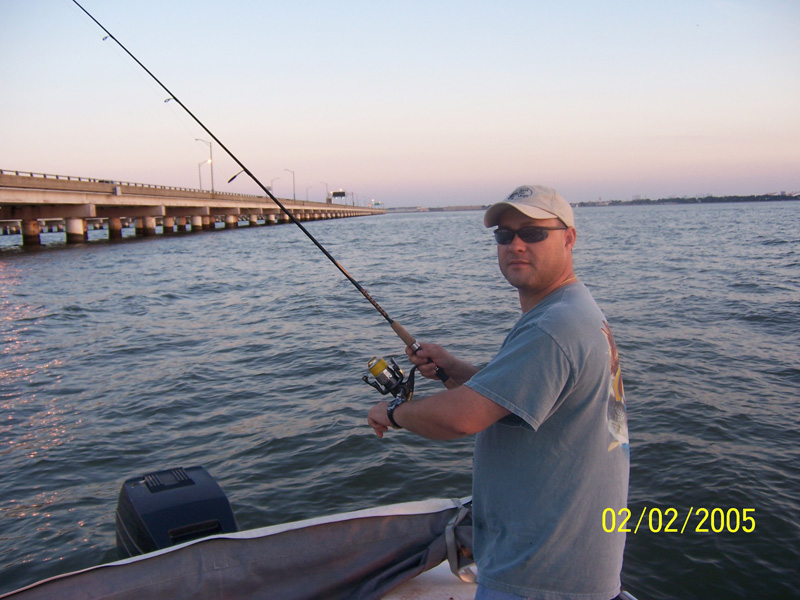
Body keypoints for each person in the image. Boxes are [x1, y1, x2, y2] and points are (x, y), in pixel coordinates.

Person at [367, 185, 630, 600]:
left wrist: (394, 412)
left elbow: (461, 419)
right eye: (504, 236)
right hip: (568, 570)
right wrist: (453, 371)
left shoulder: (552, 327)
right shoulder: (572, 310)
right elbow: (517, 401)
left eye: (533, 233)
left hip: (541, 579)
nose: (516, 245)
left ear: (569, 238)